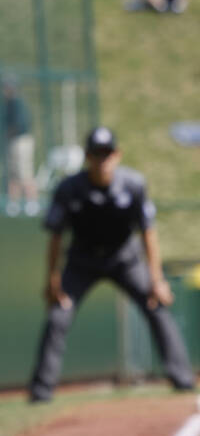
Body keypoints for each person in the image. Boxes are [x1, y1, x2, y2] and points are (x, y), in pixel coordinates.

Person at [29, 127, 196, 402]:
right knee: (58, 315)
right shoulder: (70, 189)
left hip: (124, 260)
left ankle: (182, 379)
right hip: (82, 261)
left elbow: (148, 234)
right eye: (96, 154)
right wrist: (52, 278)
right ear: (87, 157)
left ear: (117, 155)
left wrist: (157, 280)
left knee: (156, 305)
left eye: (107, 153)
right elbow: (56, 236)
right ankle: (41, 390)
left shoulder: (133, 184)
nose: (102, 160)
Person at [0, 77, 38, 216]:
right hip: (13, 141)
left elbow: (20, 124)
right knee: (13, 173)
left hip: (21, 141)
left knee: (25, 172)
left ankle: (32, 202)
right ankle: (13, 204)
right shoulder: (8, 103)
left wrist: (9, 133)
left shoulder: (17, 103)